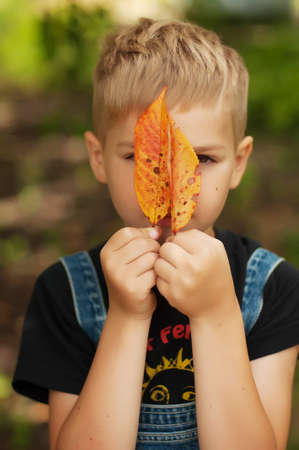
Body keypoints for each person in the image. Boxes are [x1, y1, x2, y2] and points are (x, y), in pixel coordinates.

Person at [12, 18, 299, 450]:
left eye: (201, 158)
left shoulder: (272, 288)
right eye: (141, 155)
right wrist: (126, 317)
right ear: (98, 158)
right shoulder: (64, 292)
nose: (172, 183)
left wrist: (217, 315)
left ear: (239, 164)